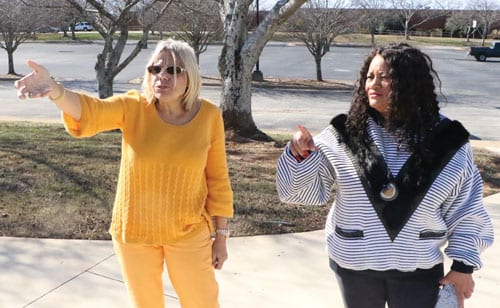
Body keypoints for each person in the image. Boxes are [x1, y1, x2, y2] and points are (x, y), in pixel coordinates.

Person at [14, 38, 234, 308]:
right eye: (155, 69)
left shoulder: (209, 116)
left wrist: (221, 238)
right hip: (134, 232)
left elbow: (218, 179)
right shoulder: (134, 107)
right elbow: (92, 111)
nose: (162, 76)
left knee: (202, 302)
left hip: (188, 231)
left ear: (191, 76)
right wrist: (56, 91)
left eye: (173, 70)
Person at [275, 43, 494, 308]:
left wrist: (464, 265)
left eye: (385, 77)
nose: (373, 84)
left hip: (418, 268)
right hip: (354, 266)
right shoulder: (342, 133)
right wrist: (301, 154)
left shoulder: (449, 140)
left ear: (410, 82)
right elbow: (299, 193)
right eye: (369, 76)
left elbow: (466, 209)